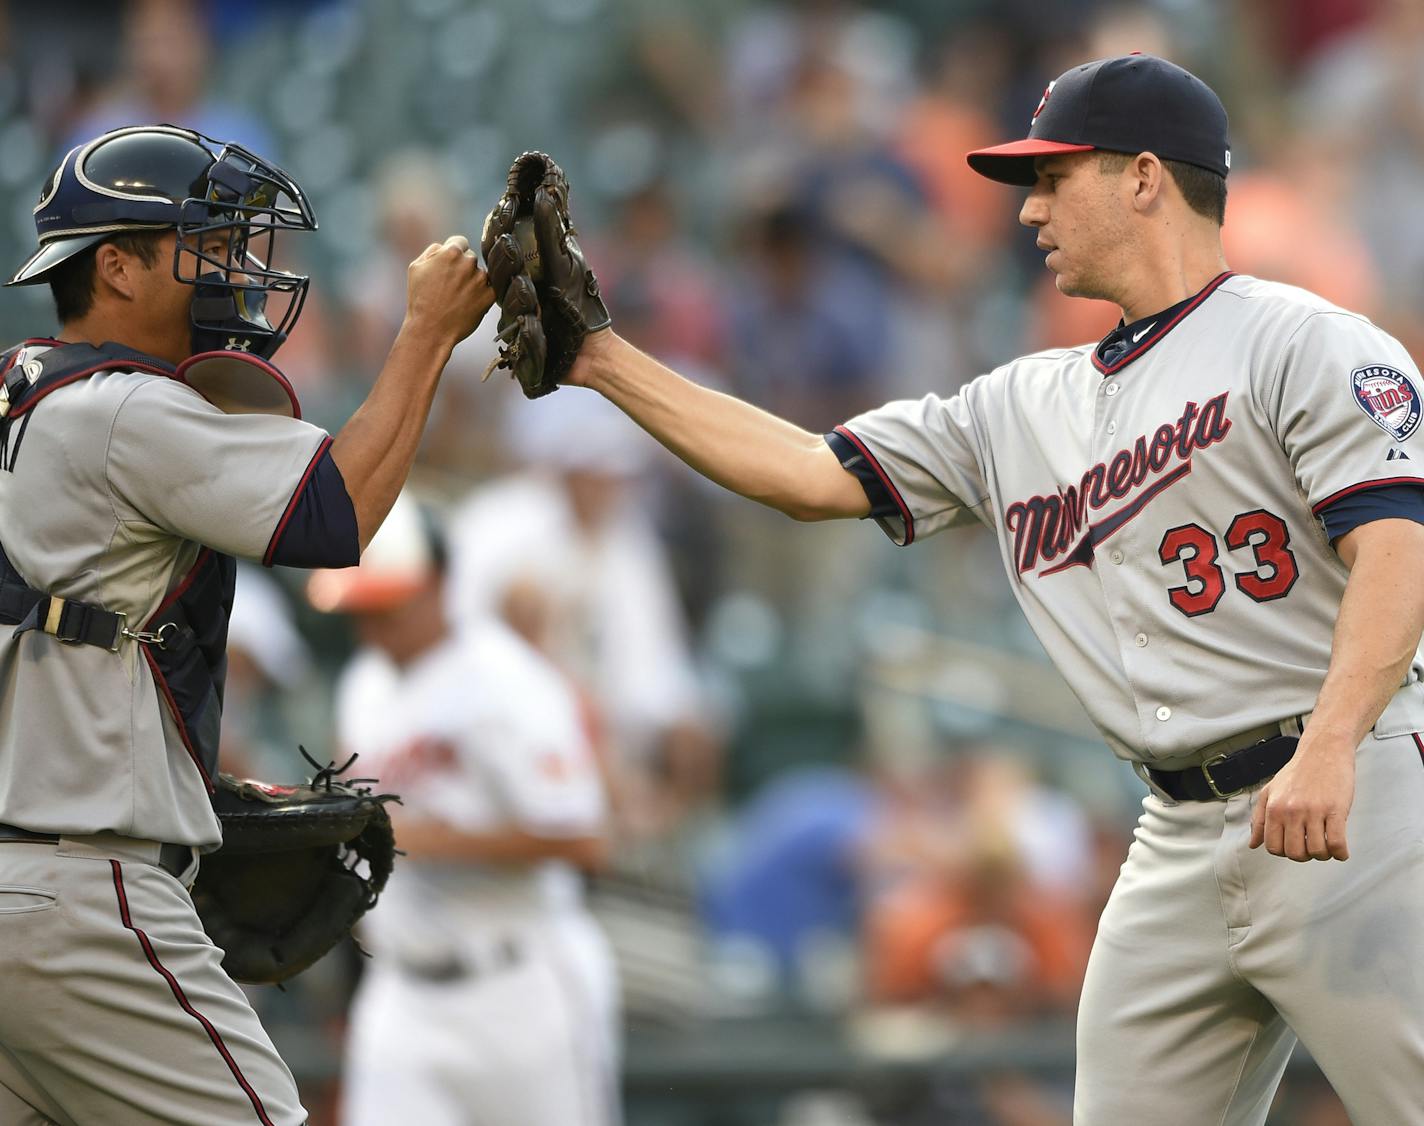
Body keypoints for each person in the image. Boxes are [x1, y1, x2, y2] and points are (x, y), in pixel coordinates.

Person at [517, 55, 1424, 1123]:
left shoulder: (1303, 341)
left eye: (1054, 177)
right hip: (1174, 831)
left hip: (1350, 798)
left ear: (1142, 177)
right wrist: (603, 361)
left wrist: (1326, 743)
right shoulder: (1018, 404)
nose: (1029, 208)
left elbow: (1399, 549)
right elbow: (812, 474)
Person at [0, 125, 491, 1124]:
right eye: (207, 245)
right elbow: (333, 510)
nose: (235, 269)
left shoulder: (26, 396)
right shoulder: (119, 409)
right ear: (118, 265)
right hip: (84, 896)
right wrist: (428, 335)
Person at [306, 493, 619, 1126]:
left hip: (519, 987)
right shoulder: (363, 685)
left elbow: (585, 839)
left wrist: (418, 839)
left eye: (389, 608)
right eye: (362, 613)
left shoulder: (509, 680)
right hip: (400, 996)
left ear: (439, 585)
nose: (373, 629)